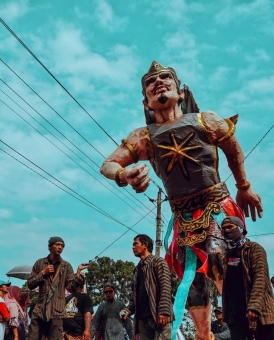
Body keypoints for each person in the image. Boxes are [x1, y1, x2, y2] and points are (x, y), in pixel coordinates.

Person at [100, 61, 263, 339]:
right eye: (151, 82)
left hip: (215, 207)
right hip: (182, 217)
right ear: (146, 100)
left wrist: (243, 186)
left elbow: (232, 147)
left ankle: (246, 328)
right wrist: (125, 174)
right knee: (194, 281)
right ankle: (204, 336)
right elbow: (108, 165)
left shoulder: (205, 120)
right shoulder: (142, 137)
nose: (159, 82)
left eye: (166, 78)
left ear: (181, 92)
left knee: (220, 259)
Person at [221, 216, 274, 339]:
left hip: (261, 313)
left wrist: (254, 306)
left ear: (241, 229)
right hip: (236, 316)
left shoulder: (254, 249)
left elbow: (260, 278)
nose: (226, 230)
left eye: (230, 227)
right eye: (223, 228)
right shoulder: (225, 254)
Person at [27, 236, 88, 340]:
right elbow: (30, 284)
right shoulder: (40, 263)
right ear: (50, 246)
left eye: (62, 246)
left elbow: (71, 288)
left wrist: (78, 274)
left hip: (57, 311)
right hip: (40, 310)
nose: (60, 247)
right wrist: (43, 273)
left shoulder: (66, 266)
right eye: (57, 244)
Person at [120, 234, 172, 340]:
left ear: (145, 245)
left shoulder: (158, 262)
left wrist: (164, 311)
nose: (133, 247)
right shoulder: (137, 270)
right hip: (143, 319)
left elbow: (165, 287)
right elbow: (135, 296)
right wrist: (128, 309)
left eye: (135, 244)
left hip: (159, 316)